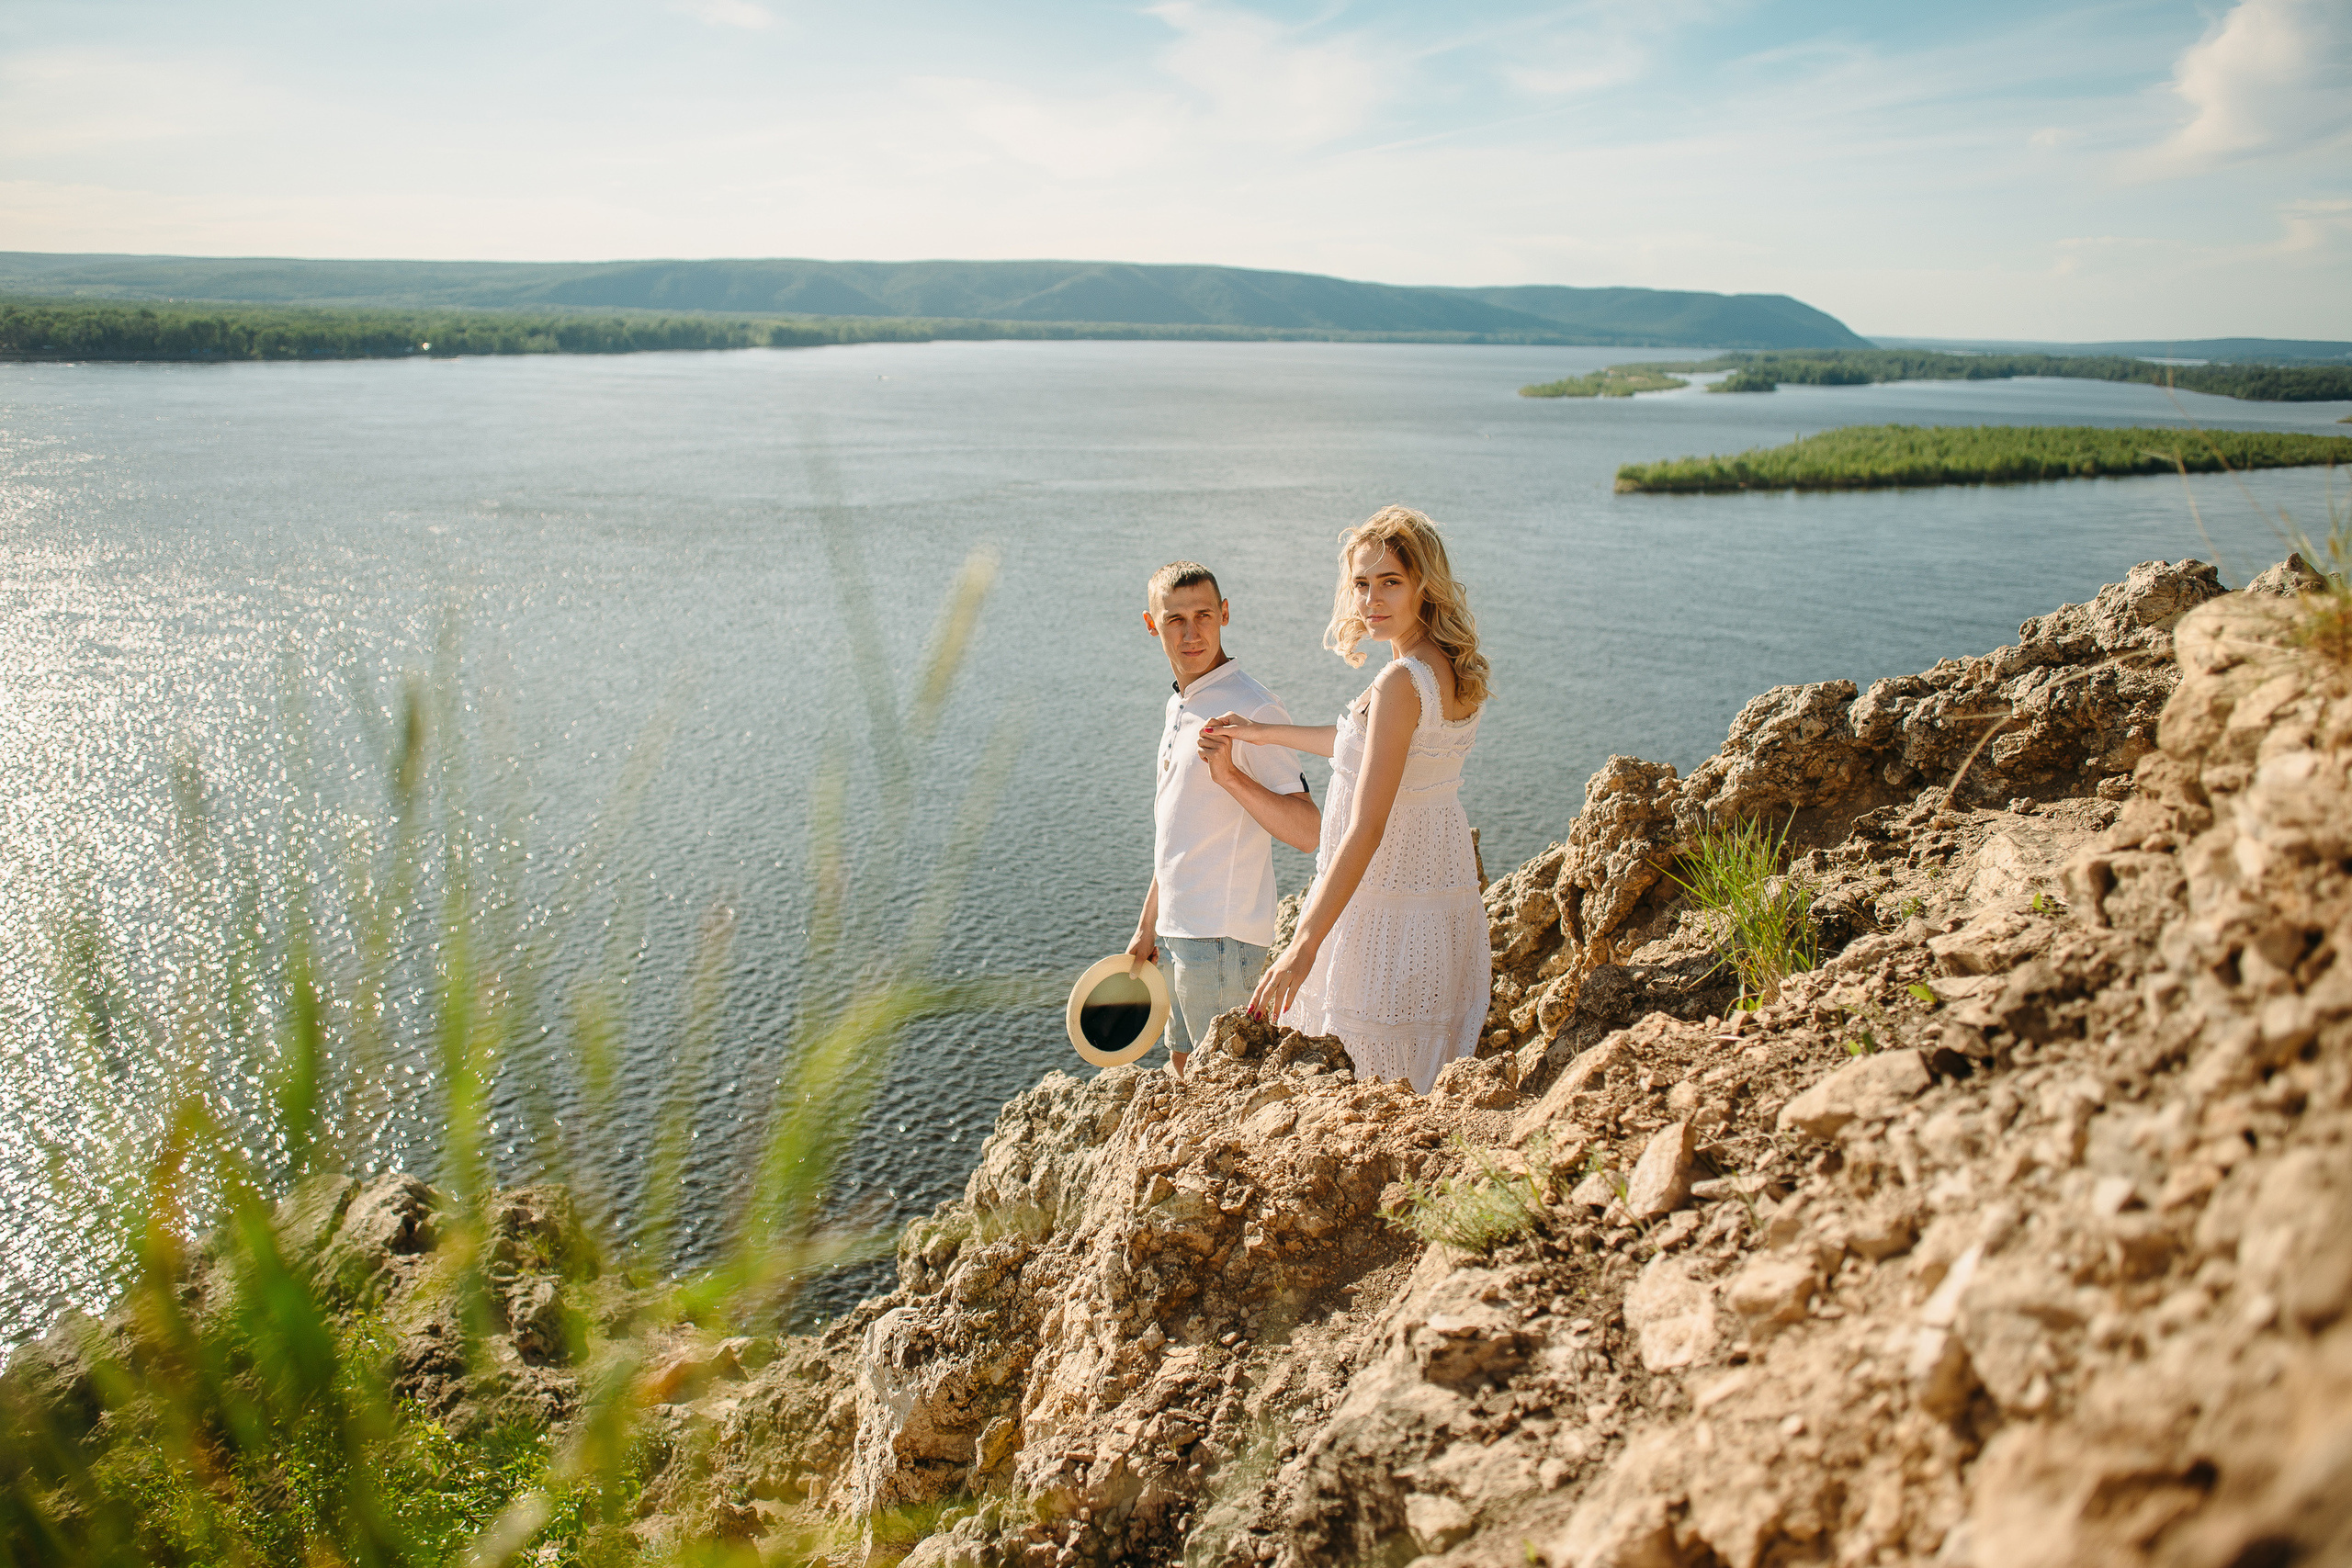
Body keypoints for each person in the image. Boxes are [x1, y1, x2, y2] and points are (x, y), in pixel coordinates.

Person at [1205, 506, 1490, 1093]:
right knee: (1419, 1073)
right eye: (1361, 583)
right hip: (1433, 892)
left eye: (1390, 582)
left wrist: (1304, 944)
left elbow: (1367, 825)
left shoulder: (1401, 681)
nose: (1370, 600)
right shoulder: (1444, 667)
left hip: (1383, 902)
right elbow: (1370, 749)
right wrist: (1262, 733)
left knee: (1370, 1076)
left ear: (1424, 585)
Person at [1128, 561, 1320, 1077]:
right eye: (1175, 620)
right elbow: (1177, 833)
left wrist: (1231, 776)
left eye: (1204, 616)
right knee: (1182, 1066)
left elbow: (1310, 832)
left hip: (1222, 938)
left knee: (1219, 1085)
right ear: (1151, 624)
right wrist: (1148, 927)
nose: (1192, 634)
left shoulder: (1254, 708)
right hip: (1180, 933)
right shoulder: (1181, 705)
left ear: (1225, 614)